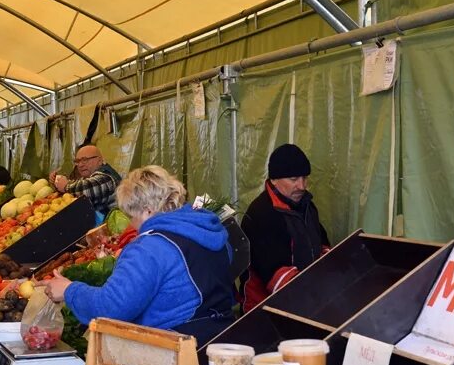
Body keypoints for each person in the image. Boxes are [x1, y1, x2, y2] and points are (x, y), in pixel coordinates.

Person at [46, 165, 234, 346]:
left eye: (132, 216)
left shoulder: (149, 248)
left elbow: (111, 307)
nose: (132, 225)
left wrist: (69, 290)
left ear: (147, 210)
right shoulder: (212, 233)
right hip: (220, 340)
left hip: (172, 351)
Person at [240, 143, 330, 312]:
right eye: (294, 179)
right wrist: (316, 296)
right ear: (274, 180)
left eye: (304, 178)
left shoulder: (307, 207)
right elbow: (275, 274)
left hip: (302, 299)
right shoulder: (261, 214)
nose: (302, 186)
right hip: (264, 310)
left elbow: (321, 244)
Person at [48, 145, 122, 217]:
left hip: (114, 228)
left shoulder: (106, 177)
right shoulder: (89, 177)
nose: (80, 165)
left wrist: (66, 186)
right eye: (77, 161)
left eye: (85, 160)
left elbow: (86, 188)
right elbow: (77, 187)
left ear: (99, 161)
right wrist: (57, 182)